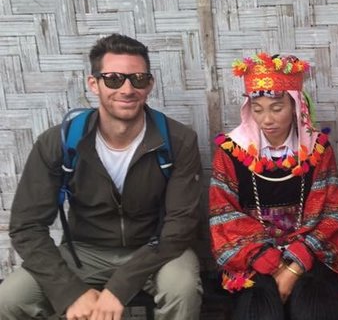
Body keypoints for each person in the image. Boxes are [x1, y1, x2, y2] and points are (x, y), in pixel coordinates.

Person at [0, 34, 203, 319]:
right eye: (114, 79)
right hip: (83, 251)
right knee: (9, 298)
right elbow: (27, 227)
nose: (128, 89)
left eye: (138, 79)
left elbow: (180, 225)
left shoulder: (178, 140)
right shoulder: (59, 142)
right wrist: (71, 292)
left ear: (150, 84)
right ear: (93, 84)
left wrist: (119, 288)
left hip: (155, 249)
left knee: (181, 288)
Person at [209, 53, 338, 320]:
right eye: (258, 109)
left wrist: (296, 263)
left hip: (311, 249)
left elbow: (332, 210)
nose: (267, 120)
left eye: (276, 108)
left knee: (315, 308)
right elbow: (223, 214)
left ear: (295, 106)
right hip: (251, 254)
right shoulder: (230, 151)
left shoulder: (317, 148)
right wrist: (266, 260)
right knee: (259, 309)